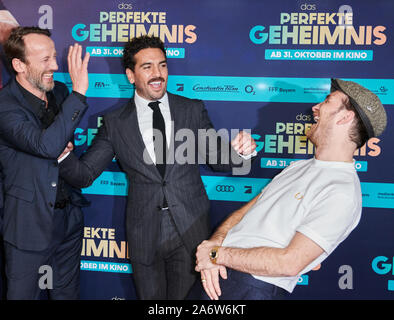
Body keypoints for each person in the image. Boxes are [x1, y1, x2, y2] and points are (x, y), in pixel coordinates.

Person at [59, 35, 257, 300]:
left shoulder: (191, 109)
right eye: (147, 67)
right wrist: (61, 154)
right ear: (130, 75)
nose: (157, 74)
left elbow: (219, 160)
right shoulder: (115, 122)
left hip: (191, 229)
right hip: (145, 234)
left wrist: (241, 151)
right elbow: (84, 175)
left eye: (162, 66)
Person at [191, 78, 387, 300]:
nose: (315, 107)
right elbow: (244, 213)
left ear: (345, 117)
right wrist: (214, 246)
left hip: (253, 287)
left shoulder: (342, 191)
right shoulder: (298, 167)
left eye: (327, 101)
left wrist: (217, 254)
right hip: (219, 274)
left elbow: (289, 263)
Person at [0, 26, 90, 299]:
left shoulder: (60, 92)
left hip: (68, 219)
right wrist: (80, 92)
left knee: (66, 295)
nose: (55, 65)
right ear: (19, 65)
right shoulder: (4, 106)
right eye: (45, 60)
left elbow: (60, 143)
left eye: (54, 56)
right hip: (29, 224)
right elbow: (46, 146)